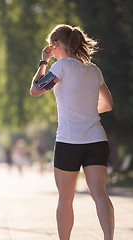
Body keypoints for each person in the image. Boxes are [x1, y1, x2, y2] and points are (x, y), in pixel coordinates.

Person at [30, 24, 114, 240]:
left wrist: (43, 61)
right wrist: (87, 110)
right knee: (100, 194)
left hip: (69, 142)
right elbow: (107, 104)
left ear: (55, 45)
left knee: (65, 199)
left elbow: (36, 90)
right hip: (97, 140)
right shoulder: (94, 69)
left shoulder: (62, 66)